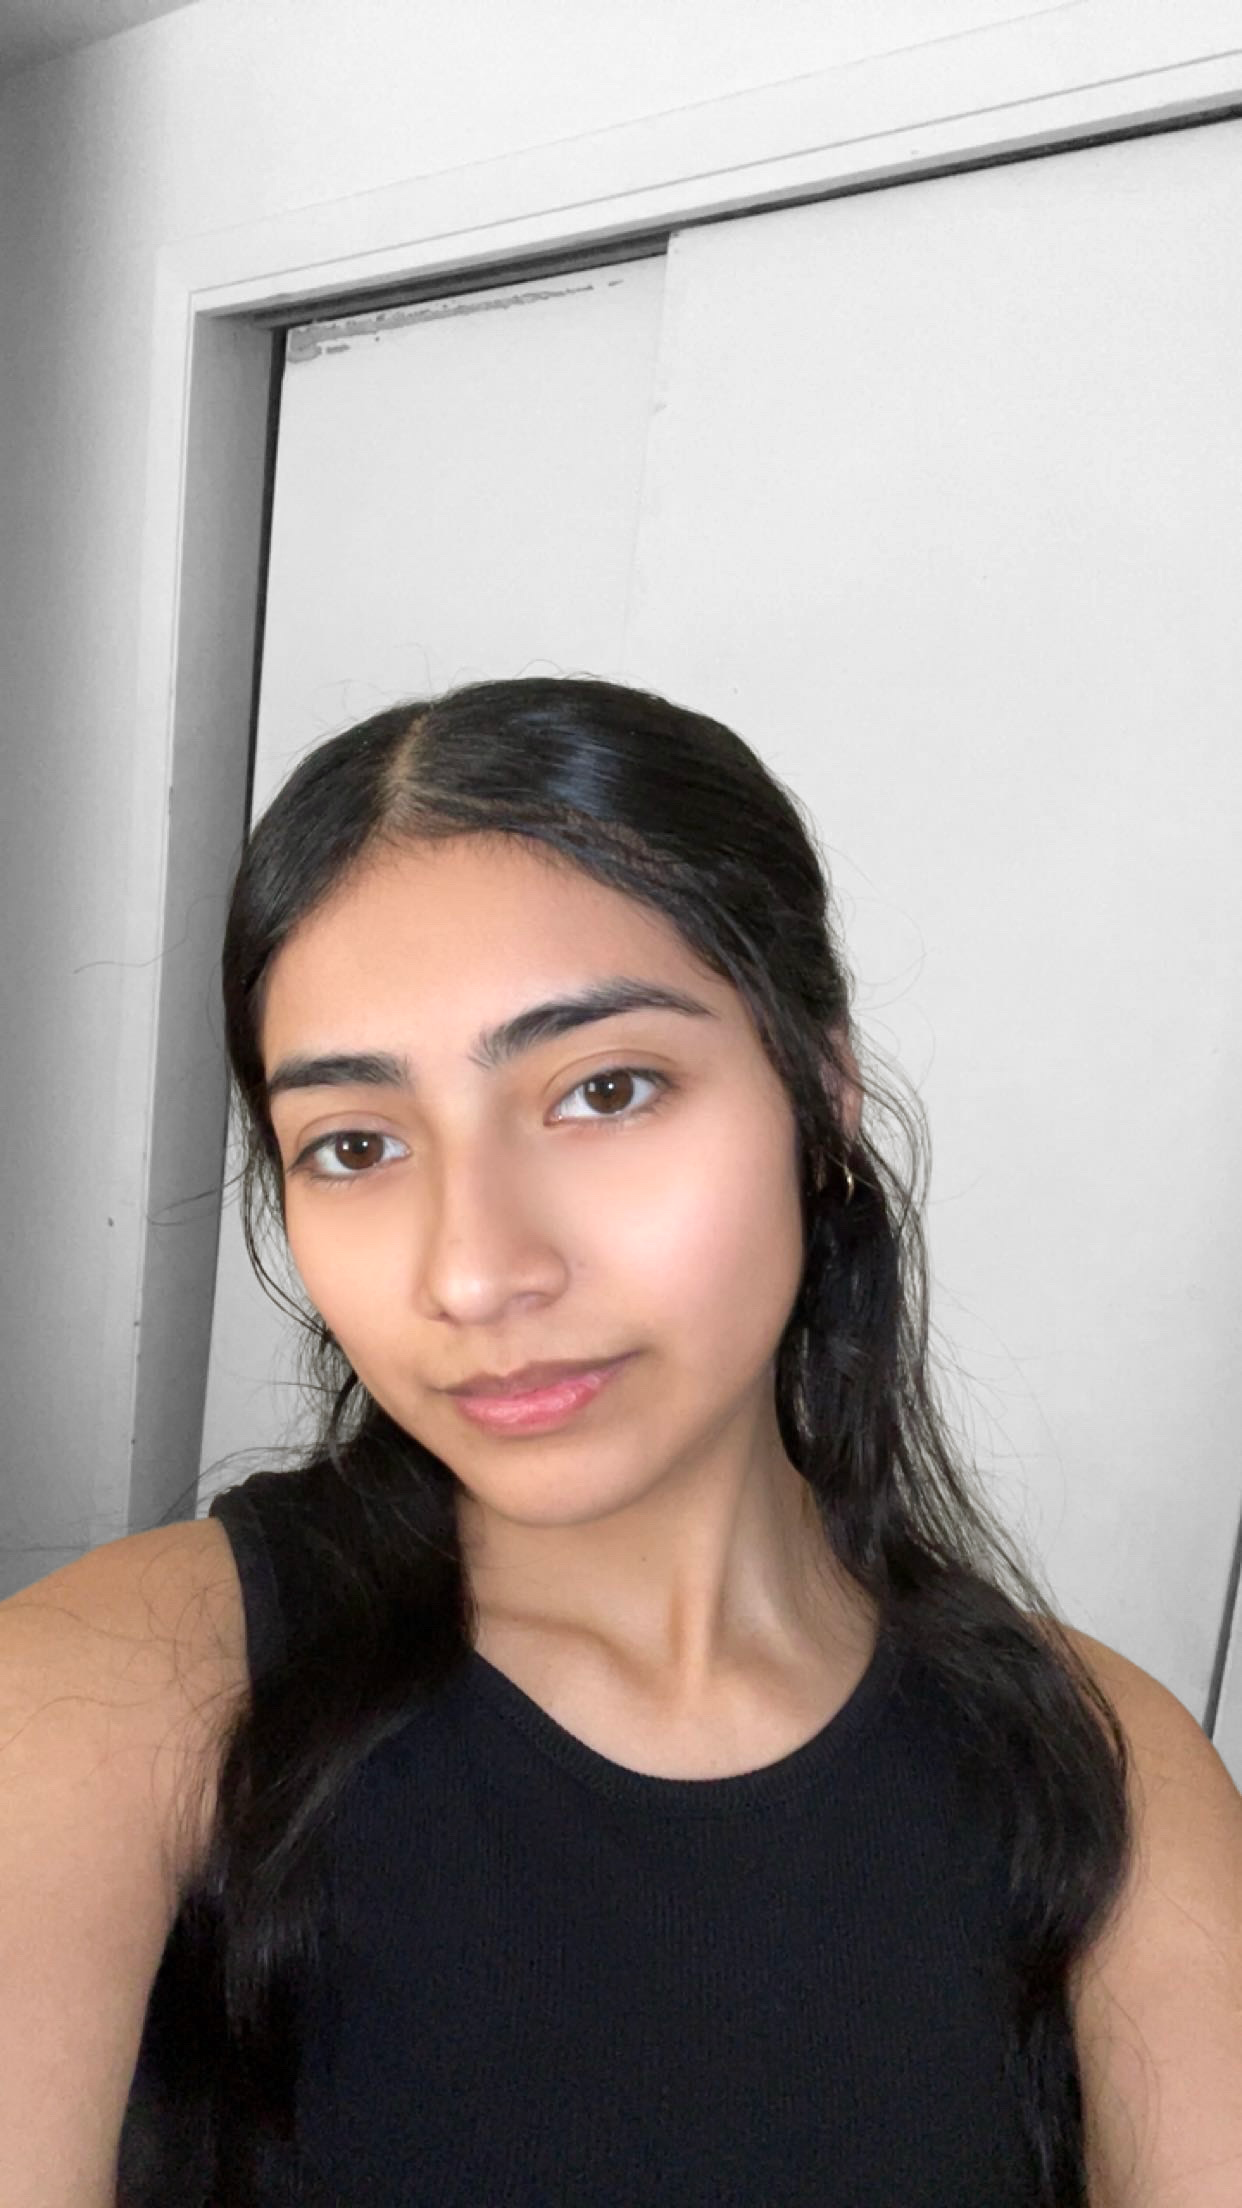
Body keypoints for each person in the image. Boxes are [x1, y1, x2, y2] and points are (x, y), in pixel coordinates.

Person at [2, 679, 1238, 2207]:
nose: (473, 1270)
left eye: (604, 1089)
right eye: (357, 1146)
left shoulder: (1110, 1780)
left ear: (818, 1097)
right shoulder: (94, 1703)